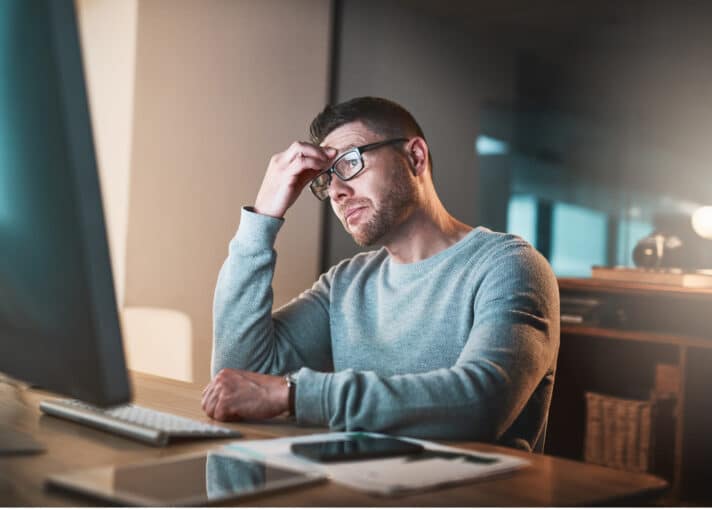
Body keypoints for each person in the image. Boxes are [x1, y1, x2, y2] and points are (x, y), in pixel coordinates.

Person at [202, 97, 559, 451]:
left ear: (415, 157)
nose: (337, 192)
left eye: (349, 163)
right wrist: (262, 217)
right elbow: (240, 375)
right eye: (325, 180)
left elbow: (482, 404)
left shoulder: (509, 265)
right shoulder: (344, 285)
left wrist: (297, 394)